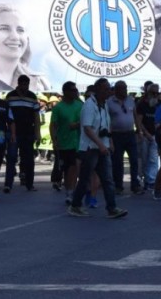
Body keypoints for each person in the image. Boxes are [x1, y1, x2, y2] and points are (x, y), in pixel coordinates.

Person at [67, 78, 128, 219]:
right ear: (98, 90)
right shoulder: (89, 105)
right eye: (106, 89)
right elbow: (87, 128)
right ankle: (75, 205)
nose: (109, 91)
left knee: (107, 179)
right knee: (85, 179)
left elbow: (106, 125)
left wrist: (110, 141)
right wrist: (100, 145)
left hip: (102, 147)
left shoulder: (104, 104)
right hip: (90, 148)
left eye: (109, 89)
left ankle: (112, 208)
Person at [5, 75, 42, 192]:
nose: (25, 86)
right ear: (19, 84)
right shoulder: (10, 96)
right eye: (23, 84)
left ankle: (30, 184)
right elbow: (6, 115)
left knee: (29, 160)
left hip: (28, 133)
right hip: (13, 133)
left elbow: (36, 117)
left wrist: (38, 133)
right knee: (11, 158)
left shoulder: (32, 96)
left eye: (27, 84)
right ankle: (8, 185)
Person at [51, 81, 83, 204]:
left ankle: (71, 191)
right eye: (73, 90)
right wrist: (54, 140)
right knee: (67, 168)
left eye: (76, 90)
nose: (75, 92)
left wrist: (78, 125)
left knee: (74, 167)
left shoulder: (80, 105)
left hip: (78, 142)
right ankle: (68, 189)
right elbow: (53, 125)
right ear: (65, 92)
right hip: (64, 142)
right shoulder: (58, 107)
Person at [106, 80, 141, 195]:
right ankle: (118, 185)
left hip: (130, 134)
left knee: (134, 160)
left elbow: (135, 116)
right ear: (116, 90)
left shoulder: (130, 100)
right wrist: (109, 137)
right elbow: (107, 120)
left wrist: (139, 131)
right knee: (117, 161)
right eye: (122, 88)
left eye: (125, 88)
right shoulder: (109, 102)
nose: (125, 90)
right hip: (116, 135)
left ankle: (135, 185)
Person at [135, 83, 161, 192]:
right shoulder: (141, 104)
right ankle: (144, 179)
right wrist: (145, 133)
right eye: (153, 93)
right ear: (148, 93)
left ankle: (151, 181)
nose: (155, 95)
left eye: (157, 93)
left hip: (156, 135)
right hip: (145, 136)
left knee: (154, 159)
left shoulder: (159, 104)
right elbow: (138, 121)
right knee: (144, 159)